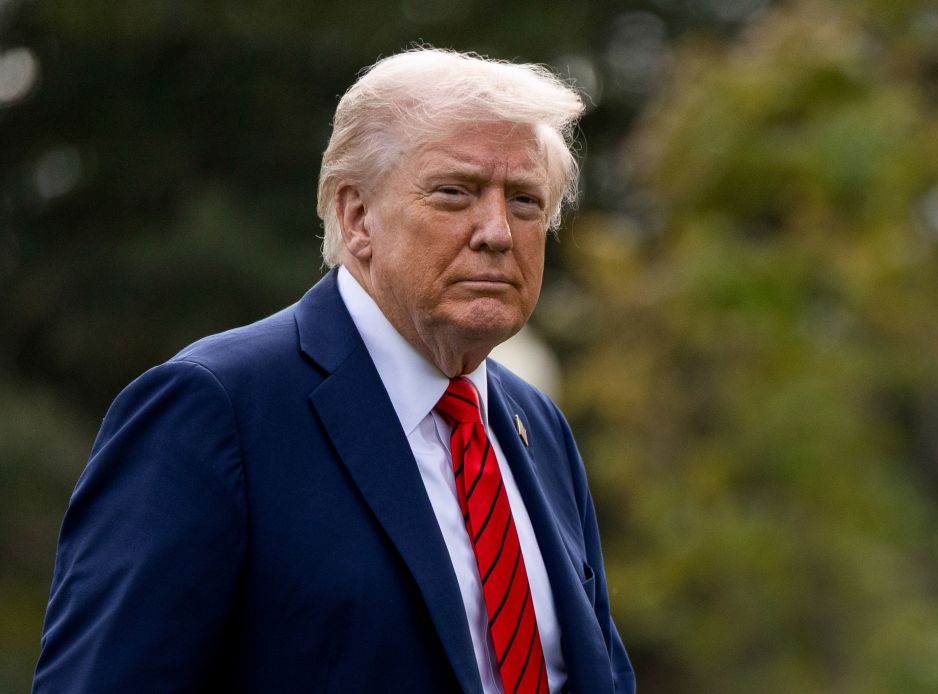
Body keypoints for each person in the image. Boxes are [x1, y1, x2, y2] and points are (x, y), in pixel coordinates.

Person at [32, 48, 635, 693]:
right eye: (454, 192)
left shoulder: (533, 425)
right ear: (356, 217)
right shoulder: (215, 408)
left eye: (524, 201)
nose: (497, 232)